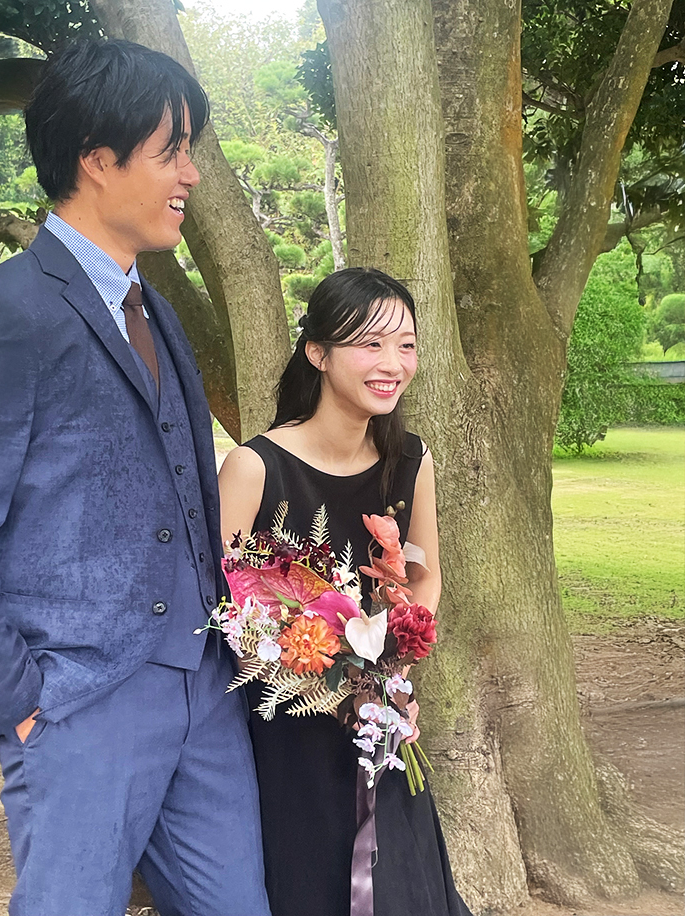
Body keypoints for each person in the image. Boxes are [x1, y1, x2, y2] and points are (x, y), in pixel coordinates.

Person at [0, 39, 270, 916]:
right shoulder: (2, 313)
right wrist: (18, 702)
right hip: (76, 704)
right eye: (172, 151)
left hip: (204, 689)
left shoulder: (158, 311)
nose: (191, 174)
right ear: (98, 160)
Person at [218, 267, 473, 916]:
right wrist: (325, 680)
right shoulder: (253, 468)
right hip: (288, 734)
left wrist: (391, 672)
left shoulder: (410, 460)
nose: (393, 363)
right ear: (318, 353)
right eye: (371, 344)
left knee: (402, 887)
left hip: (380, 725)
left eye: (406, 345)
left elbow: (423, 575)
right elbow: (226, 608)